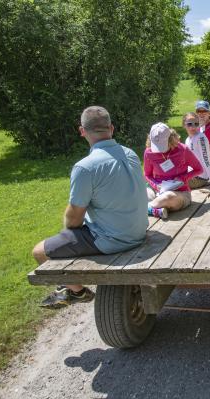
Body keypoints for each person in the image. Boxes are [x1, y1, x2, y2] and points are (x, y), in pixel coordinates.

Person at [32, 106, 148, 309]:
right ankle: (67, 289)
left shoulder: (85, 167)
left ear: (82, 131)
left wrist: (67, 232)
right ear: (111, 128)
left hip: (113, 239)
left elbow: (74, 219)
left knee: (39, 251)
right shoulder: (130, 154)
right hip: (138, 231)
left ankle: (78, 291)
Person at [143, 123, 203, 218]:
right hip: (156, 190)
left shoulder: (182, 150)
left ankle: (143, 209)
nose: (159, 150)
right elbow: (147, 175)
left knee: (168, 197)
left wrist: (182, 178)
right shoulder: (148, 152)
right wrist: (156, 185)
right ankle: (155, 209)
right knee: (140, 195)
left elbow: (199, 169)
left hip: (179, 192)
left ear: (170, 139)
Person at [183, 112, 210, 190]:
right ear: (184, 125)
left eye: (196, 124)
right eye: (189, 124)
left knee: (173, 184)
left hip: (200, 178)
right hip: (191, 174)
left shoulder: (200, 138)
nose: (193, 127)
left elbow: (206, 159)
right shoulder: (187, 139)